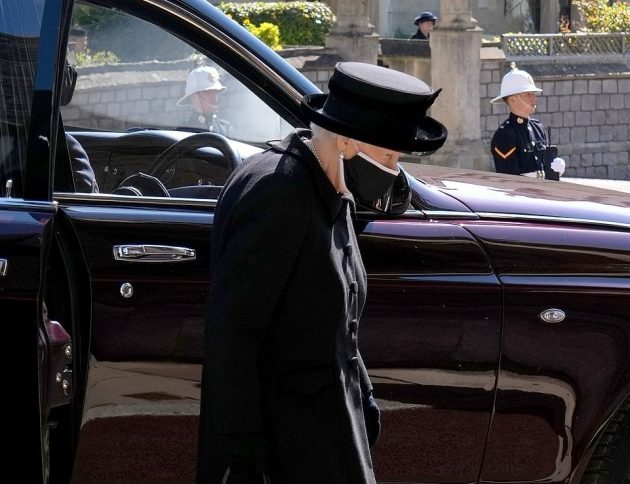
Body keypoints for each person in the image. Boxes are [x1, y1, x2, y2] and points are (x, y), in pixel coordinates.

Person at [196, 62, 447, 484]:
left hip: (327, 433)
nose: (393, 168)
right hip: (283, 448)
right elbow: (233, 335)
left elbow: (339, 323)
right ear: (346, 141)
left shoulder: (332, 185)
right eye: (388, 155)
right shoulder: (278, 191)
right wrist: (243, 454)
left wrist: (364, 399)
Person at [490, 63, 566, 180]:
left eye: (533, 94)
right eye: (528, 94)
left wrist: (554, 170)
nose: (534, 98)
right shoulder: (504, 134)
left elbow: (542, 165)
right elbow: (509, 178)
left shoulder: (538, 127)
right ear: (513, 100)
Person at [177, 65, 232, 136]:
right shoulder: (182, 132)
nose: (214, 98)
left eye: (216, 92)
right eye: (207, 92)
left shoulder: (226, 129)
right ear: (192, 98)